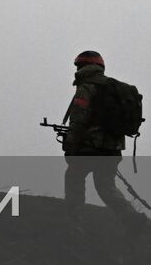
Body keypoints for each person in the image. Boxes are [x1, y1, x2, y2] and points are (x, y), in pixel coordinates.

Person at [61, 50, 145, 233]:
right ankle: (130, 217)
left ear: (82, 67)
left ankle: (74, 223)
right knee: (106, 186)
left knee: (74, 178)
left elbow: (78, 119)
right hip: (113, 149)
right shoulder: (113, 88)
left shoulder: (87, 87)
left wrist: (70, 145)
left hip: (89, 148)